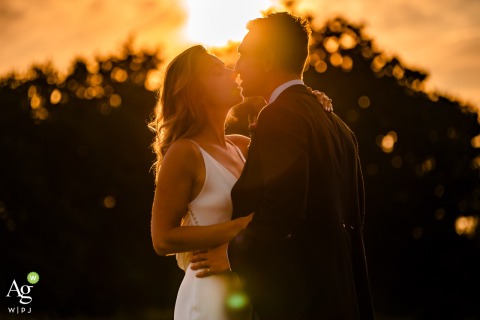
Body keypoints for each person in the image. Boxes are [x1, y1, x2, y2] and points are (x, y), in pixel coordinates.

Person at [190, 12, 375, 320]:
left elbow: (282, 207)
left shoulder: (279, 115)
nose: (237, 68)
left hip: (302, 303)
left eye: (244, 56)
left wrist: (232, 255)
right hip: (343, 297)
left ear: (268, 59)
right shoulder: (338, 125)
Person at [149, 45, 333, 320]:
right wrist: (241, 226)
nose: (232, 71)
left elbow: (290, 190)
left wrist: (309, 105)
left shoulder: (244, 146)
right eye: (217, 71)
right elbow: (162, 239)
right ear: (196, 93)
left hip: (248, 291)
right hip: (208, 295)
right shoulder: (184, 152)